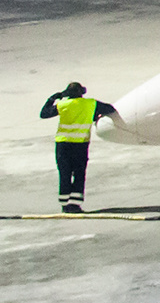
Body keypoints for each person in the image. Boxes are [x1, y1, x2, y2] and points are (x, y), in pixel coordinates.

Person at [39, 82, 120, 214]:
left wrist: (52, 99)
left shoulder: (63, 105)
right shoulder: (91, 103)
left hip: (63, 145)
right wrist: (95, 116)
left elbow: (44, 114)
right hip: (81, 145)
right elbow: (110, 109)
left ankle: (65, 204)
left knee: (64, 174)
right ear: (82, 92)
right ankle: (75, 204)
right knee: (79, 174)